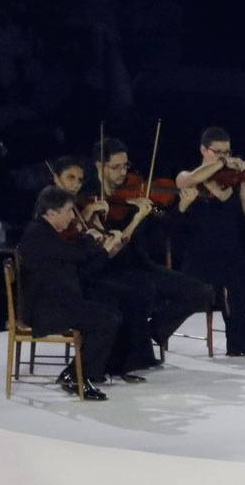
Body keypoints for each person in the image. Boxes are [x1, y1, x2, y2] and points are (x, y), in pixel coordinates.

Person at [86, 137, 214, 352]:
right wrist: (132, 219)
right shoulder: (90, 197)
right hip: (110, 271)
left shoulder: (138, 191)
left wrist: (181, 207)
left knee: (201, 292)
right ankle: (133, 347)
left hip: (140, 265)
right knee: (143, 292)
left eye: (125, 166)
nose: (122, 172)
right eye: (115, 167)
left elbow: (162, 231)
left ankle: (154, 331)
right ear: (100, 166)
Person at [174, 127, 245, 356]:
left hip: (232, 255)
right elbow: (192, 179)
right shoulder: (187, 176)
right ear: (204, 150)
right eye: (218, 152)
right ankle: (236, 346)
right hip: (200, 259)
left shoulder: (237, 181)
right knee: (234, 284)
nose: (224, 157)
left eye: (227, 151)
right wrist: (223, 162)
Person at [51, 155, 155, 381]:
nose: (76, 184)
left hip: (85, 276)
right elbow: (59, 244)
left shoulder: (78, 205)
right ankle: (80, 371)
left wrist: (105, 237)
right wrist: (87, 220)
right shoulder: (51, 207)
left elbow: (88, 242)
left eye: (79, 179)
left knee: (135, 297)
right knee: (111, 305)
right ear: (56, 179)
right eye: (70, 178)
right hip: (66, 284)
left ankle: (119, 365)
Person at [17, 186, 123, 400]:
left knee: (111, 314)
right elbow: (73, 255)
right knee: (106, 321)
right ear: (52, 212)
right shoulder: (38, 233)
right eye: (69, 210)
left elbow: (69, 254)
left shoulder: (43, 231)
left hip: (56, 302)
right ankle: (78, 377)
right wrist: (94, 243)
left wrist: (91, 242)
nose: (73, 216)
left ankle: (77, 373)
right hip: (46, 309)